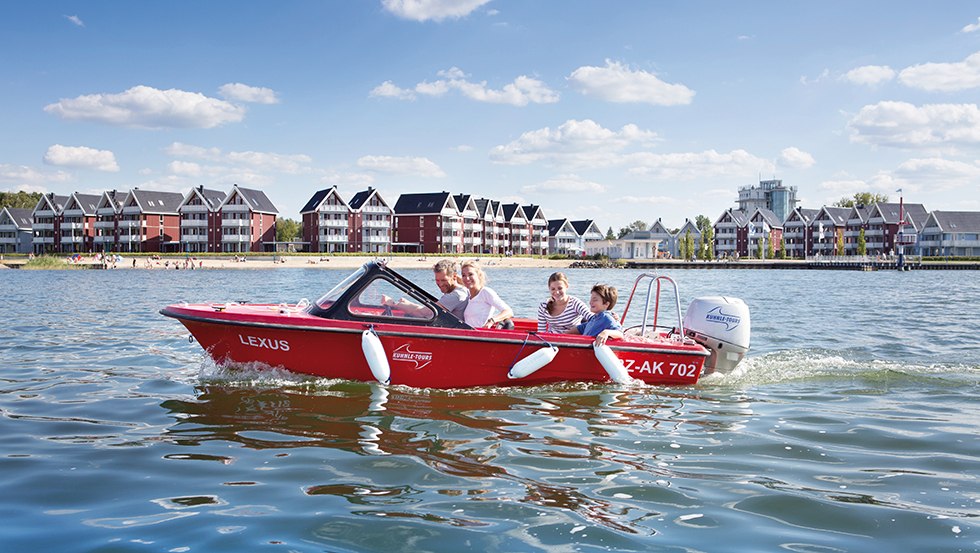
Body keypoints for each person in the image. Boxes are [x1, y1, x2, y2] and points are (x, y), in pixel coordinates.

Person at [460, 260, 513, 329]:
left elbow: (508, 311)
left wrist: (492, 321)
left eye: (470, 274)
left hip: (479, 335)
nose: (467, 278)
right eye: (463, 275)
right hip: (467, 334)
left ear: (478, 275)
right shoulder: (469, 295)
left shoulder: (485, 292)